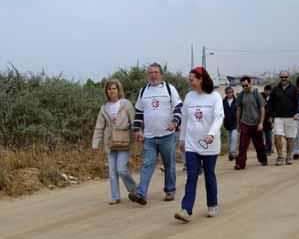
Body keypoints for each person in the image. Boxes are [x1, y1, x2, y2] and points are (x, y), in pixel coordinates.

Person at [174, 66, 224, 222]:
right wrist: (182, 139)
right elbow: (186, 119)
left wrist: (211, 134)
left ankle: (212, 204)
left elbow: (218, 118)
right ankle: (186, 209)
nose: (190, 82)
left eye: (192, 79)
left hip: (210, 144)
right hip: (191, 144)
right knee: (192, 175)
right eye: (189, 79)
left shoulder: (215, 97)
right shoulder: (189, 97)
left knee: (209, 175)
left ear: (201, 79)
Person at [129, 63, 183, 205]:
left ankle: (170, 191)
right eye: (150, 72)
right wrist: (137, 130)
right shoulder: (143, 91)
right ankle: (141, 193)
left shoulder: (169, 89)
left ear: (161, 74)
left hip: (167, 136)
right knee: (147, 164)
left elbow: (178, 107)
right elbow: (139, 112)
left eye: (156, 72)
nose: (153, 75)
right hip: (149, 137)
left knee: (169, 164)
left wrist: (175, 122)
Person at [92, 79, 136, 205]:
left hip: (124, 141)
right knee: (112, 171)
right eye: (109, 89)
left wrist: (137, 135)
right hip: (110, 143)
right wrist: (95, 143)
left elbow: (133, 122)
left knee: (121, 169)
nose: (111, 91)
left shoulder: (126, 104)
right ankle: (115, 196)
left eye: (114, 88)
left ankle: (134, 189)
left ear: (118, 90)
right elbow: (99, 127)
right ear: (106, 91)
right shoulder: (104, 108)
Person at [234, 76, 268, 170]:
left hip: (256, 123)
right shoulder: (241, 95)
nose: (245, 87)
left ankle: (263, 159)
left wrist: (261, 123)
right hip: (245, 123)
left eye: (246, 85)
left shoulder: (256, 94)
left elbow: (262, 108)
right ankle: (240, 164)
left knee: (259, 144)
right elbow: (238, 109)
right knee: (242, 145)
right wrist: (238, 124)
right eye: (243, 86)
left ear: (250, 83)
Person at [268, 71, 299, 166]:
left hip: (291, 117)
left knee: (290, 138)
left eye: (285, 77)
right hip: (278, 117)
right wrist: (270, 116)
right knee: (277, 136)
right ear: (280, 77)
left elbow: (298, 102)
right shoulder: (275, 89)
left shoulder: (294, 89)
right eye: (282, 77)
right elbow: (270, 104)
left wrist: (297, 113)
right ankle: (280, 157)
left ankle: (289, 157)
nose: (284, 79)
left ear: (288, 77)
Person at [223, 86, 238, 161]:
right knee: (229, 139)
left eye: (230, 92)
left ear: (232, 92)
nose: (229, 94)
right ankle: (232, 153)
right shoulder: (223, 102)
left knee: (234, 138)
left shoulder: (237, 101)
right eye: (227, 92)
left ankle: (232, 152)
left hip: (235, 123)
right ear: (225, 93)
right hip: (227, 123)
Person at [261, 85, 273, 155]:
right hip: (261, 120)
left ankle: (269, 150)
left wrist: (272, 118)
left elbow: (273, 109)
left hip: (269, 120)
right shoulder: (260, 97)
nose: (268, 92)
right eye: (266, 91)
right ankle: (263, 150)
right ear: (264, 90)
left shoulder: (272, 98)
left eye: (269, 91)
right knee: (261, 137)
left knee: (269, 137)